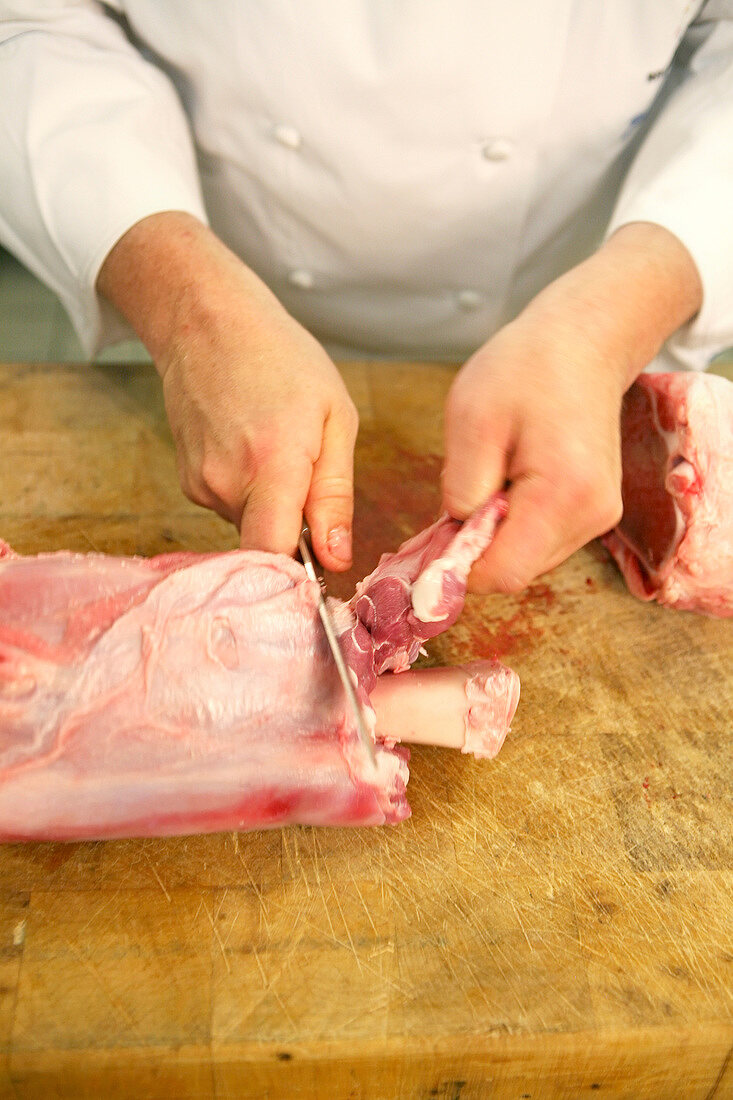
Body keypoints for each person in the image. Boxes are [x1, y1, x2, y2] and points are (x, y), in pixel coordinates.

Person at [0, 2, 730, 592]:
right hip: (224, 260)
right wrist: (190, 310)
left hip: (584, 291)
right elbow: (29, 25)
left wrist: (606, 324)